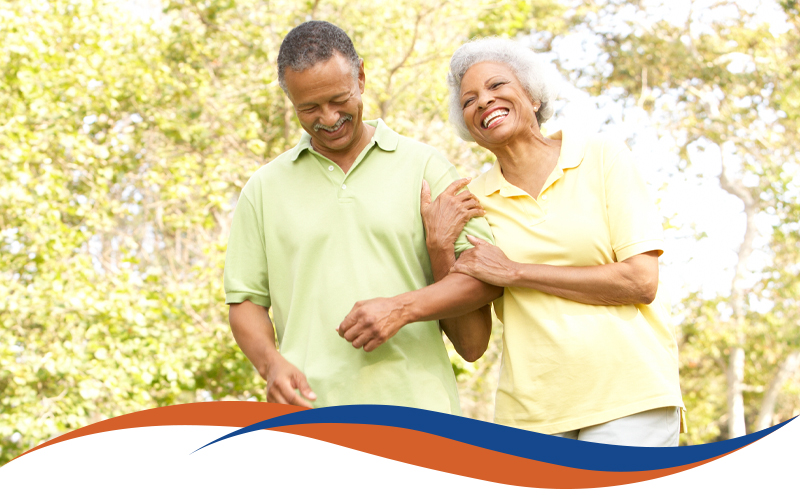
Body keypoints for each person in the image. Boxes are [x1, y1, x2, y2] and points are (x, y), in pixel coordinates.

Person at [223, 21, 501, 414]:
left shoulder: (426, 166)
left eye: (339, 99)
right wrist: (271, 364)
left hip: (421, 414)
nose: (329, 118)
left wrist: (402, 307)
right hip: (312, 419)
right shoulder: (263, 188)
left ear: (362, 78)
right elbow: (246, 301)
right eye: (309, 108)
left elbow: (486, 277)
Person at [420, 37, 685, 445]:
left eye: (497, 86)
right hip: (532, 416)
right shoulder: (473, 202)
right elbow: (471, 346)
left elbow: (640, 281)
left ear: (533, 96)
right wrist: (439, 248)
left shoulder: (601, 156)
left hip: (630, 396)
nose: (484, 102)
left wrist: (516, 273)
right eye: (469, 100)